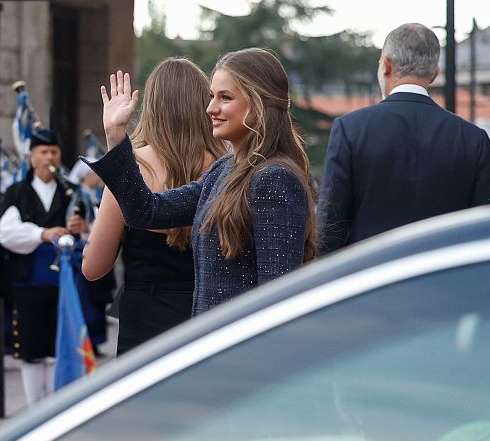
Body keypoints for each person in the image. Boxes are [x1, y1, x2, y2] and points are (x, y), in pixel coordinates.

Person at [86, 48, 317, 317]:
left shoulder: (274, 178)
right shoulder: (223, 170)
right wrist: (116, 137)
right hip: (212, 343)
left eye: (225, 98)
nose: (210, 108)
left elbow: (278, 297)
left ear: (259, 104)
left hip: (239, 350)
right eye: (211, 97)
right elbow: (146, 212)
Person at [82, 57, 228, 354]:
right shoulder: (226, 167)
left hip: (144, 321)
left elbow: (93, 267)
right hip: (209, 316)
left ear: (151, 106)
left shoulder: (131, 169)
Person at [318, 23, 490, 254]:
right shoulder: (474, 139)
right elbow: (481, 229)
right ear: (434, 74)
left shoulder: (350, 128)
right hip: (443, 280)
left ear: (387, 66)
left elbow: (330, 225)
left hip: (368, 280)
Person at [0, 127, 88, 405]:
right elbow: (6, 233)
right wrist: (43, 233)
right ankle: (36, 407)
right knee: (32, 349)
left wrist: (82, 229)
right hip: (29, 283)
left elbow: (96, 232)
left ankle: (59, 405)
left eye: (54, 152)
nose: (49, 156)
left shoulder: (73, 192)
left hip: (66, 284)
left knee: (62, 345)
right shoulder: (18, 192)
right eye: (43, 152)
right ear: (32, 157)